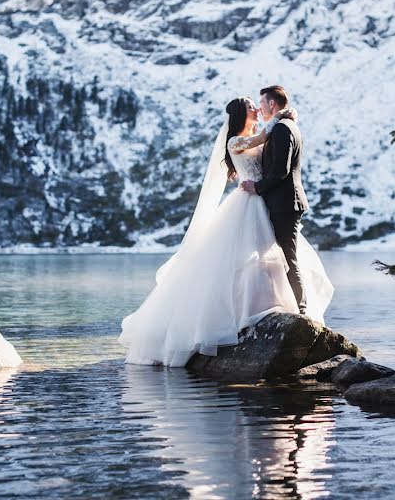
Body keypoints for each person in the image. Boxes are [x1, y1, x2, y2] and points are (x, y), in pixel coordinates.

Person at [118, 94, 334, 367]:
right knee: (247, 259)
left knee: (268, 258)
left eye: (257, 105)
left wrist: (279, 120)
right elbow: (259, 141)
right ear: (238, 116)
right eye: (250, 108)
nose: (256, 109)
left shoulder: (260, 133)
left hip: (262, 200)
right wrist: (281, 116)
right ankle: (243, 315)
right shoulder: (236, 141)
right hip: (248, 202)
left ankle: (269, 308)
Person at [240, 85, 308, 313]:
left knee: (288, 258)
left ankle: (301, 310)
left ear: (271, 104)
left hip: (285, 203)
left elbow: (280, 171)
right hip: (282, 202)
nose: (259, 108)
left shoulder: (281, 129)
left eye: (261, 103)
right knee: (280, 258)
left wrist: (256, 187)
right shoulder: (283, 126)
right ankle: (285, 306)